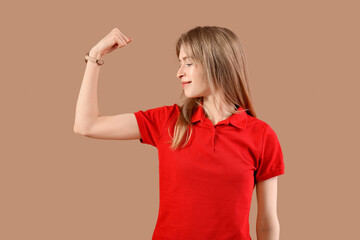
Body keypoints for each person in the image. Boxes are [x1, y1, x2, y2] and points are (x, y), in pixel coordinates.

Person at [74, 26, 285, 240]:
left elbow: (267, 223)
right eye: (180, 63)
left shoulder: (262, 135)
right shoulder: (166, 121)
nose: (179, 72)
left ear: (217, 64)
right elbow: (86, 125)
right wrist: (95, 56)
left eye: (188, 63)